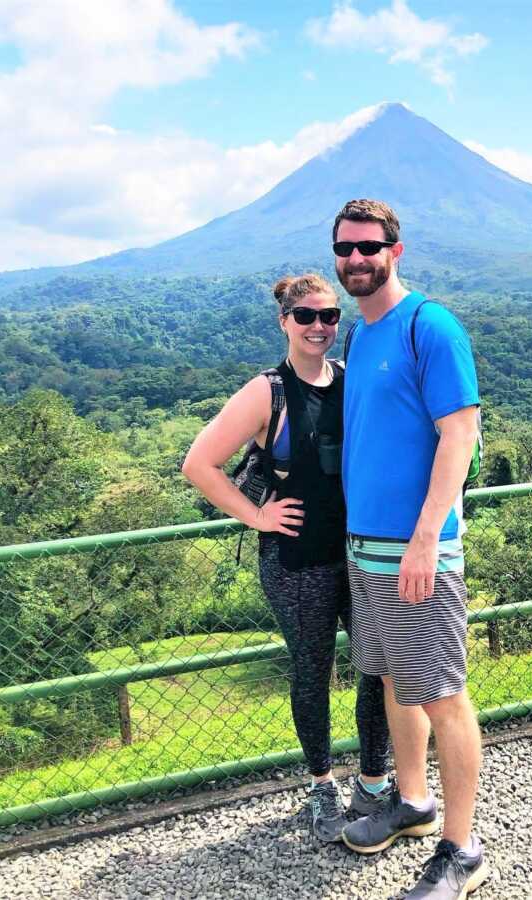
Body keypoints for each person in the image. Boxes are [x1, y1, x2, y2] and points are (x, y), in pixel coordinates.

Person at [181, 273, 390, 842]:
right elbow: (199, 464)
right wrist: (256, 516)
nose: (320, 326)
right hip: (297, 559)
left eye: (329, 316)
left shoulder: (348, 381)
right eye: (307, 317)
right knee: (311, 672)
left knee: (379, 668)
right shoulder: (266, 392)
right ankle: (322, 786)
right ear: (285, 322)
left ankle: (373, 781)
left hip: (358, 551)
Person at [333, 200, 489, 899]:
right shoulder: (361, 336)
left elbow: (460, 434)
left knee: (445, 696)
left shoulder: (431, 325)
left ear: (396, 249)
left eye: (370, 247)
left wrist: (427, 538)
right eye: (346, 248)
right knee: (396, 682)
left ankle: (462, 849)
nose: (357, 259)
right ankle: (415, 801)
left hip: (416, 551)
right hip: (365, 550)